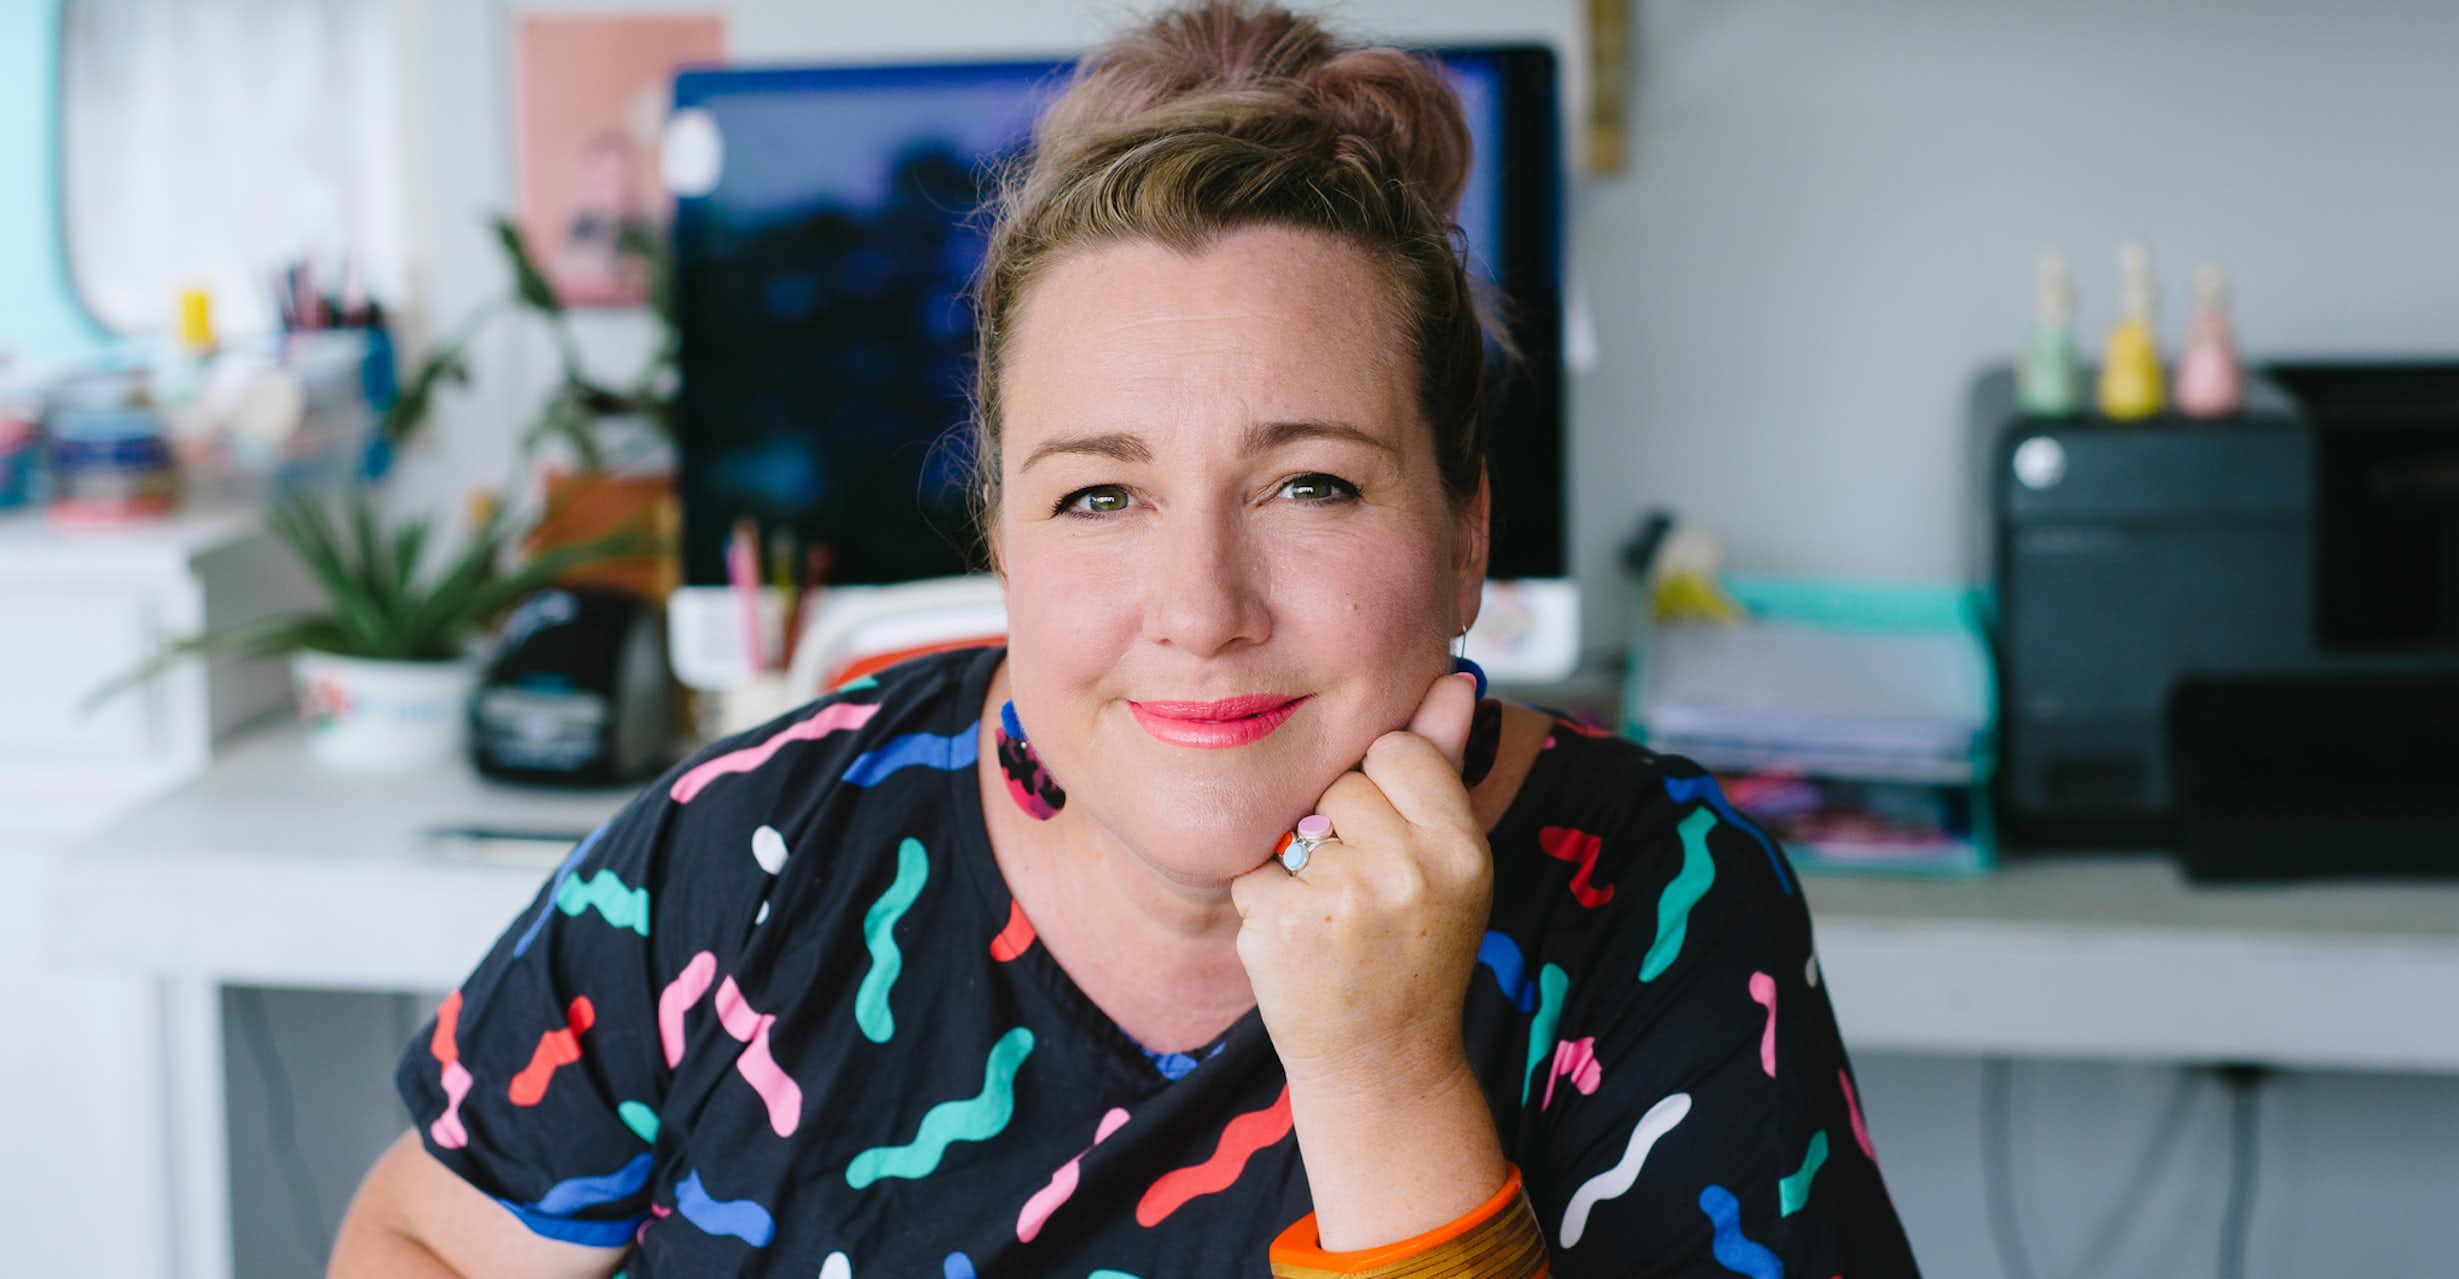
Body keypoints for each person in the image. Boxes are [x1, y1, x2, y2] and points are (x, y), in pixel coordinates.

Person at [330, 3, 1921, 1275]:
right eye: (1100, 497)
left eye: (1309, 483)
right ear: (1001, 539)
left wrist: (1384, 1082)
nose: (1202, 608)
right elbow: (421, 1238)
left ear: (1468, 533)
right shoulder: (741, 856)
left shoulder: (1657, 910)